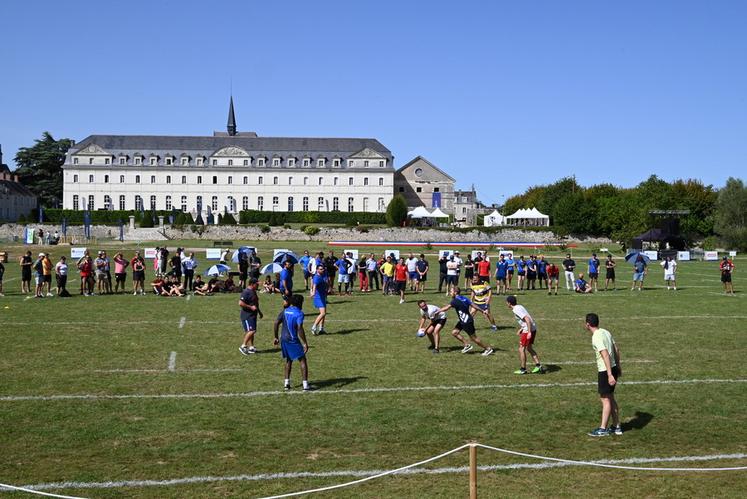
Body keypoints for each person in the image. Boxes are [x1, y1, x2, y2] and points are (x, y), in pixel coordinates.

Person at [584, 313, 623, 437]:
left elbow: (605, 354)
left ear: (588, 324)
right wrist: (618, 366)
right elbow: (616, 349)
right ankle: (616, 427)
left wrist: (609, 374)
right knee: (611, 397)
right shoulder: (606, 332)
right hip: (613, 368)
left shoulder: (596, 336)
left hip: (605, 371)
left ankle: (603, 429)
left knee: (605, 399)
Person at [438, 286, 494, 356]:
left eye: (451, 292)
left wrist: (438, 311)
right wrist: (482, 311)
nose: (450, 293)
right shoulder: (464, 298)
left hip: (466, 322)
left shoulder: (455, 301)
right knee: (454, 332)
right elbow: (473, 305)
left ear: (455, 293)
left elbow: (446, 308)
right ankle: (467, 345)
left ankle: (488, 349)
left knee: (474, 338)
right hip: (463, 320)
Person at [273, 294, 312, 391]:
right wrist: (305, 343)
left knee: (289, 360)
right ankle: (305, 385)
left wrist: (275, 337)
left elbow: (276, 322)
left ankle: (286, 383)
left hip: (283, 339)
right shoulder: (299, 313)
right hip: (292, 340)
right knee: (302, 360)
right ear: (300, 303)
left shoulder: (285, 311)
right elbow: (300, 328)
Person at [506, 295, 544, 374]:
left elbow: (527, 319)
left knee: (521, 349)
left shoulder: (516, 310)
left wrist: (528, 332)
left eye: (507, 302)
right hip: (531, 328)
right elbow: (526, 319)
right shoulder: (519, 306)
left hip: (528, 330)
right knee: (529, 348)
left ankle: (523, 369)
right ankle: (538, 366)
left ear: (509, 303)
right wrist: (521, 328)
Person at [239, 277, 263, 355]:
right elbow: (240, 303)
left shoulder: (253, 291)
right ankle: (243, 346)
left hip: (253, 315)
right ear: (252, 284)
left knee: (251, 331)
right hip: (247, 315)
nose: (258, 285)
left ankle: (251, 347)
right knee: (252, 331)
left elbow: (255, 303)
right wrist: (250, 307)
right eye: (257, 284)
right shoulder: (246, 292)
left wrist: (259, 312)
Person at [310, 264, 328, 335]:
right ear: (317, 270)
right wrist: (313, 292)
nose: (322, 270)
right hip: (318, 297)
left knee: (324, 314)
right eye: (320, 269)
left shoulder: (322, 276)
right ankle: (313, 327)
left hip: (322, 296)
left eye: (323, 269)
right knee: (322, 313)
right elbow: (314, 285)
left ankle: (321, 329)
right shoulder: (317, 277)